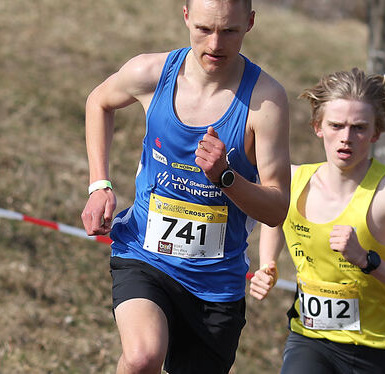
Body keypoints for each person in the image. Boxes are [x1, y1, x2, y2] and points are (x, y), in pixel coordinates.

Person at [80, 0, 291, 373]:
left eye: (229, 31)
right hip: (146, 254)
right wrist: (100, 184)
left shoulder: (265, 103)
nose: (215, 44)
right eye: (204, 29)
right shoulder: (151, 72)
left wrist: (226, 176)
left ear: (250, 23)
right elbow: (99, 101)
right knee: (143, 356)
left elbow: (276, 210)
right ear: (186, 17)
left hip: (216, 284)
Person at [249, 68, 385, 374]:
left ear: (376, 133)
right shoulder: (294, 179)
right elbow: (277, 217)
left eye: (359, 128)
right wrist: (268, 263)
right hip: (309, 338)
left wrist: (368, 261)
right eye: (336, 125)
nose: (346, 138)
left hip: (372, 350)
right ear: (317, 126)